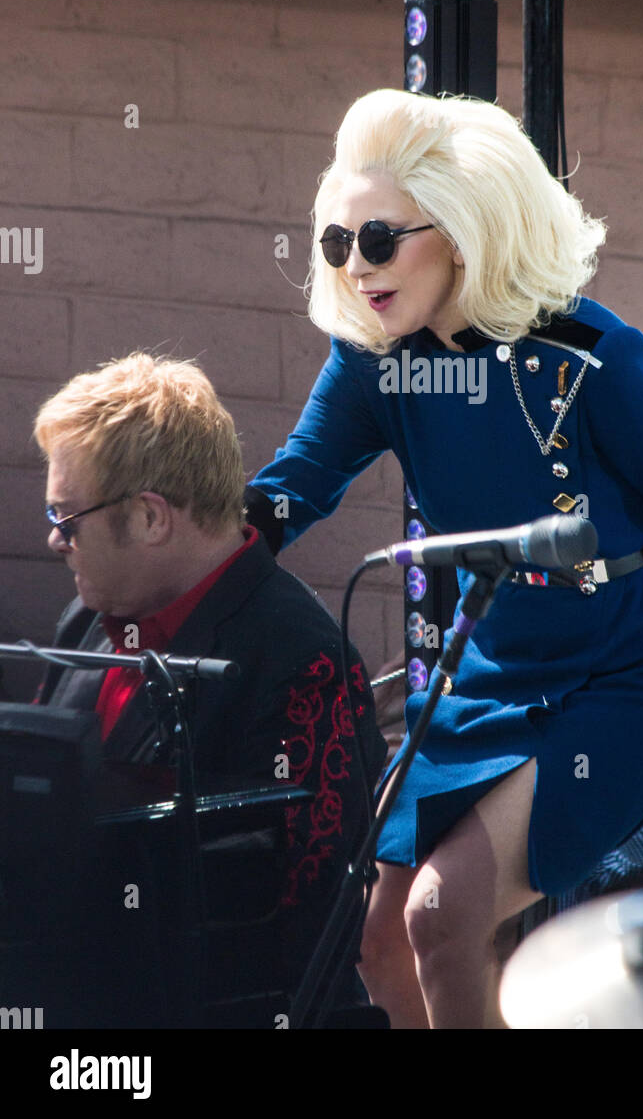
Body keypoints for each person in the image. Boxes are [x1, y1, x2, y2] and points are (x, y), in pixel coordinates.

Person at [244, 87, 643, 1029]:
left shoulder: (593, 355)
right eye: (338, 242)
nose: (356, 267)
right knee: (379, 944)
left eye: (379, 240)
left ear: (459, 229)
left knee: (444, 917)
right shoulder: (377, 359)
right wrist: (205, 547)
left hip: (622, 673)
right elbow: (296, 484)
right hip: (491, 660)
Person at [27, 352, 386, 1026]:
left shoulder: (303, 661)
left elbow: (311, 935)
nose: (54, 539)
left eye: (67, 517)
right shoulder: (89, 619)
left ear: (149, 518)